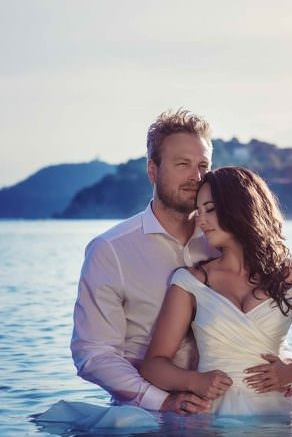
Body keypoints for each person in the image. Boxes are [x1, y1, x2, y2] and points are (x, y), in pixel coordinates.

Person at [140, 166, 292, 417]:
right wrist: (195, 382)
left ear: (240, 207)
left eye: (210, 210)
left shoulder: (291, 275)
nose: (201, 221)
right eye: (198, 211)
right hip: (213, 422)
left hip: (276, 420)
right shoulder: (191, 282)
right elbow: (153, 365)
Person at [70, 108, 227, 416]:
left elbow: (256, 318)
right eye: (182, 164)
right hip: (144, 421)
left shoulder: (225, 243)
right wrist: (161, 401)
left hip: (225, 412)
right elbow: (94, 353)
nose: (195, 177)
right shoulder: (110, 250)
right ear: (152, 171)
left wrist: (284, 364)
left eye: (203, 165)